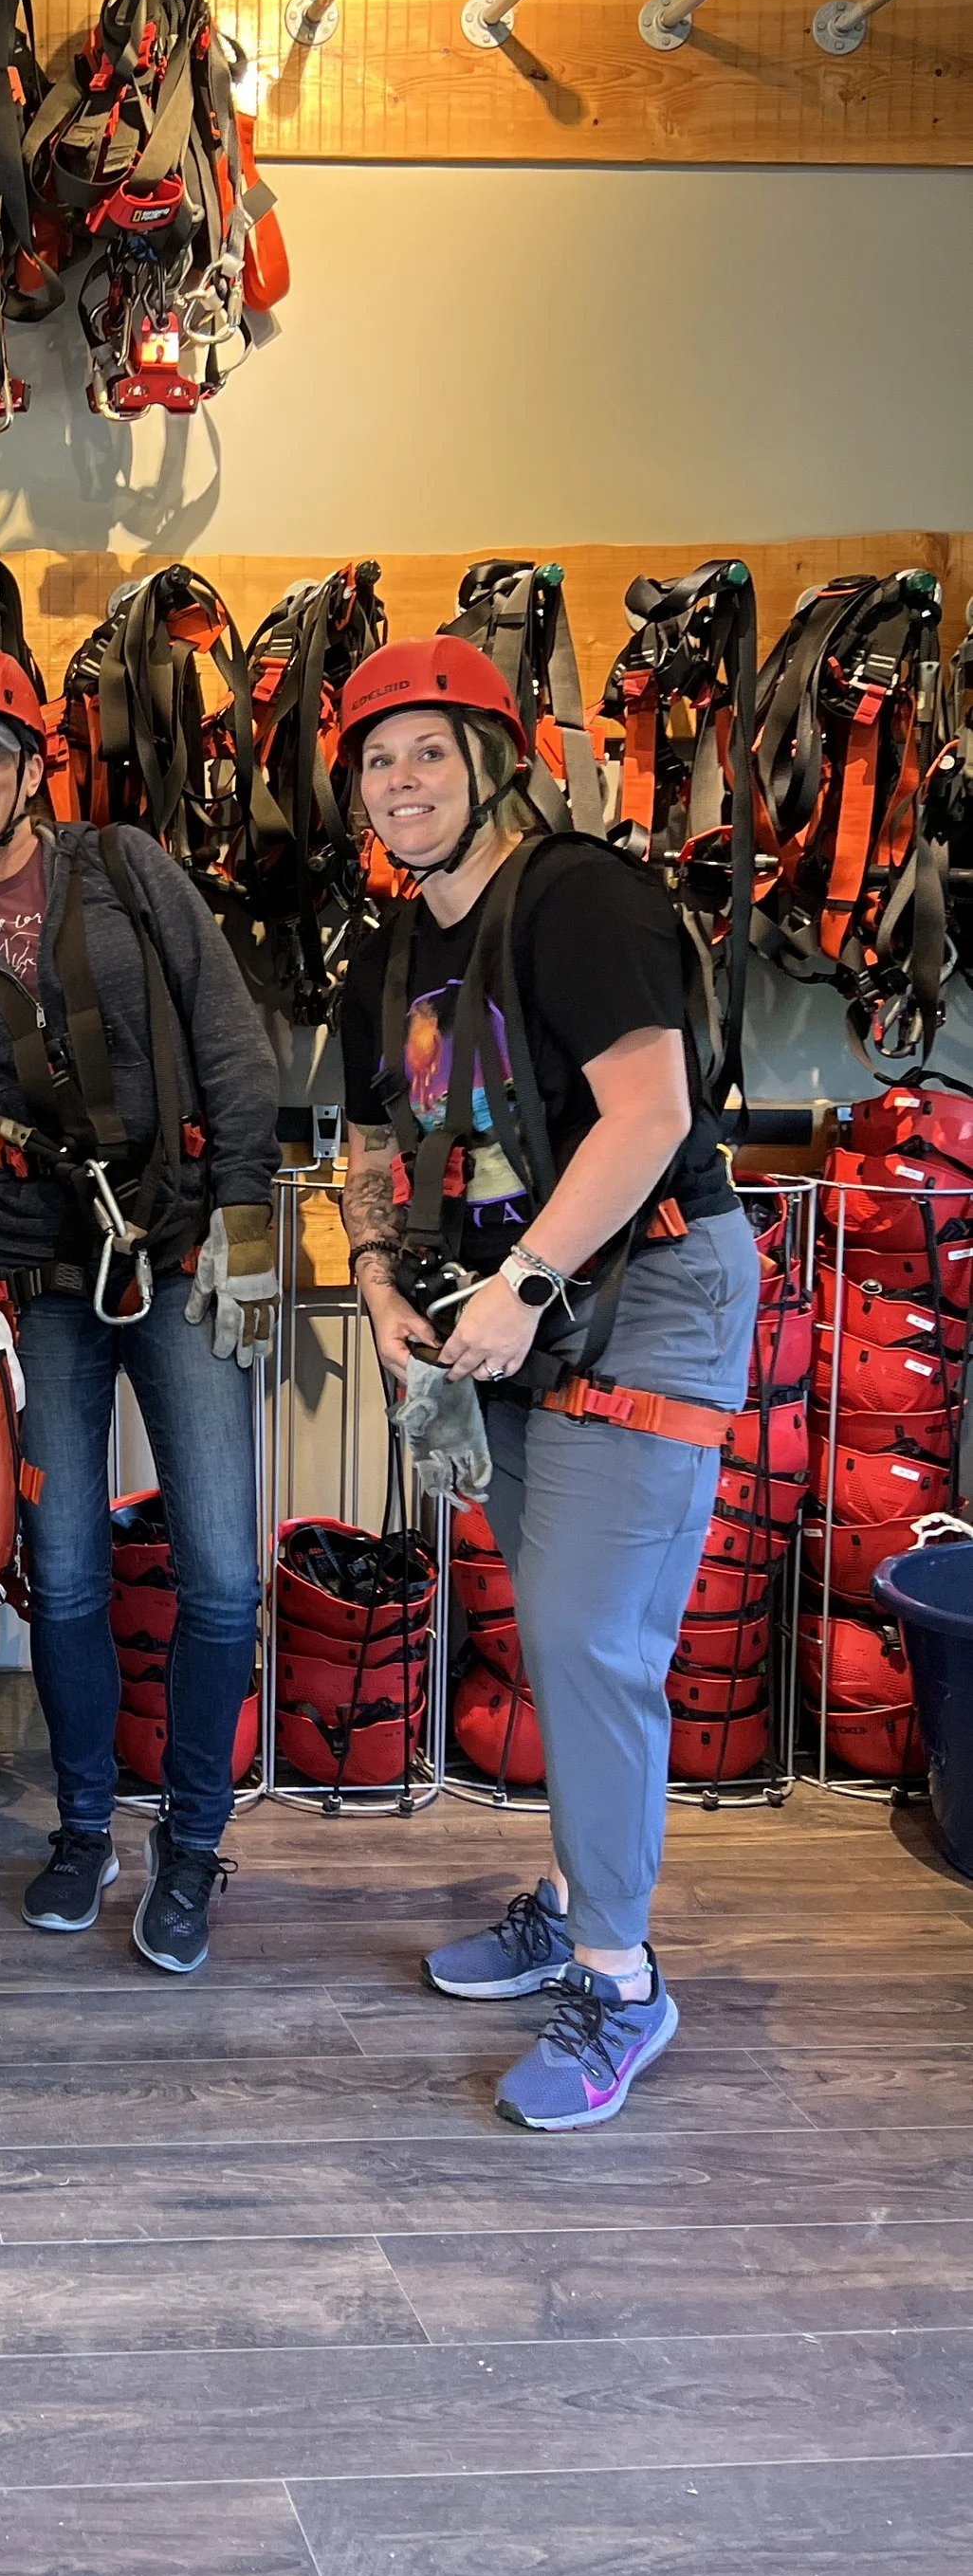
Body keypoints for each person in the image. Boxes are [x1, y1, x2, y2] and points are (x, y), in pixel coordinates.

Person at [334, 635, 756, 2133]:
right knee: (556, 1610)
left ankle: (619, 1981)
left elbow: (649, 1112)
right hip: (515, 1310)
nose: (403, 781)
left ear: (492, 760)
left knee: (588, 1634)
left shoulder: (574, 895)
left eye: (431, 750)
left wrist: (520, 1285)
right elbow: (369, 1142)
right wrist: (383, 1283)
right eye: (378, 759)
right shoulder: (387, 956)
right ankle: (578, 1885)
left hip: (642, 1286)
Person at [0, 647, 281, 1975]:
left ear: (34, 762)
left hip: (183, 1243)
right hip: (36, 1273)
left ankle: (193, 1845)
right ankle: (86, 1828)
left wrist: (250, 1218)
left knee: (215, 1568)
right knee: (72, 1570)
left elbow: (227, 1032)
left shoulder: (128, 869)